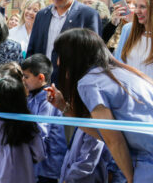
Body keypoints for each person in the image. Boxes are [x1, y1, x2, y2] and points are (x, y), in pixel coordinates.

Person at [46, 28, 153, 183]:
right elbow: (102, 132)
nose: (58, 62)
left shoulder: (90, 82)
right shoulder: (123, 73)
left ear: (74, 57)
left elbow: (113, 139)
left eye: (61, 55)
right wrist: (65, 108)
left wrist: (130, 178)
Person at [26, 0, 101, 83]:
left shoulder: (88, 15)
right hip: (42, 84)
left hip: (73, 85)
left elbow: (94, 55)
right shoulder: (42, 15)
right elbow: (32, 50)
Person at [21, 54, 67, 182]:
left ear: (41, 77)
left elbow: (41, 131)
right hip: (34, 162)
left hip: (47, 164)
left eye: (26, 77)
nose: (23, 80)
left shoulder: (48, 99)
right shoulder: (31, 96)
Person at [114, 0, 153, 78]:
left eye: (142, 7)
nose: (136, 11)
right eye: (136, 6)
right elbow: (118, 63)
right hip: (127, 89)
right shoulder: (128, 29)